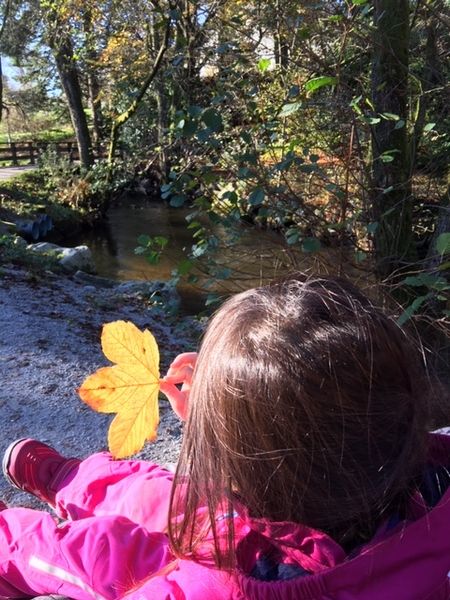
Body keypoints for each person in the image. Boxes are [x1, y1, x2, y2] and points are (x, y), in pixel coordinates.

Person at [0, 275, 449, 600]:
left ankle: (9, 537)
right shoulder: (421, 466)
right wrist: (226, 409)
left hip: (227, 559)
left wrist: (219, 415)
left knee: (104, 551)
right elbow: (315, 433)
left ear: (239, 458)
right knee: (157, 494)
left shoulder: (216, 590)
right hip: (311, 524)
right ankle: (69, 479)